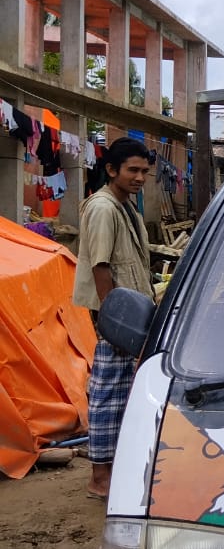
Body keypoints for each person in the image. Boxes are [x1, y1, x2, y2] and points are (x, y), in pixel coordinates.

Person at [71, 138, 155, 498]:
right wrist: (114, 320)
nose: (139, 178)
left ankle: (116, 468)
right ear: (111, 170)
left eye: (144, 171)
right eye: (132, 170)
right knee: (107, 394)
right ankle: (100, 477)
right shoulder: (103, 208)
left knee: (123, 393)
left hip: (129, 314)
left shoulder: (125, 207)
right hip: (118, 318)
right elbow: (101, 266)